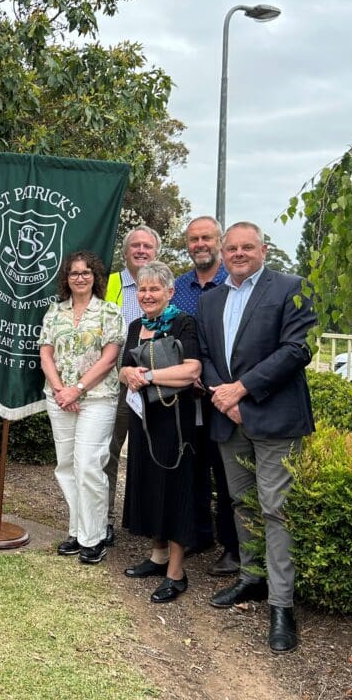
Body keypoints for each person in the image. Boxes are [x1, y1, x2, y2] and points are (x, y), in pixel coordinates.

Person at [197, 221, 316, 653]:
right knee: (240, 502)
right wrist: (225, 399)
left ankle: (282, 605)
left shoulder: (290, 287)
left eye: (248, 246)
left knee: (276, 509)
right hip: (229, 418)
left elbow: (297, 349)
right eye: (232, 248)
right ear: (223, 253)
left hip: (275, 418)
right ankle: (251, 578)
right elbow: (206, 356)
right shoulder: (212, 299)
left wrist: (242, 390)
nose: (239, 253)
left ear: (263, 249)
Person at [118, 262, 202, 603]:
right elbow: (124, 366)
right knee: (149, 485)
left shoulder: (183, 323)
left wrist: (149, 377)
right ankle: (157, 555)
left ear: (169, 292)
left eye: (155, 289)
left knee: (176, 489)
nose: (147, 295)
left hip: (176, 423)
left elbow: (191, 370)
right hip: (144, 420)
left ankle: (176, 573)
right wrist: (128, 375)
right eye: (142, 289)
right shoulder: (136, 325)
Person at [39, 251, 125, 565]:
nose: (80, 277)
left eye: (86, 272)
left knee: (89, 465)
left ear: (95, 277)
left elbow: (109, 358)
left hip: (97, 398)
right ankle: (77, 532)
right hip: (59, 398)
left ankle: (95, 536)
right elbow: (46, 354)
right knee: (66, 466)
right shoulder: (54, 312)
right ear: (67, 278)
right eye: (74, 273)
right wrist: (62, 390)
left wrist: (77, 389)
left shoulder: (109, 312)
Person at [171, 216, 241, 576]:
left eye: (206, 238)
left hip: (221, 394)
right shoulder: (179, 286)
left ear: (219, 241)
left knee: (226, 472)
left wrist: (211, 382)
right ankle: (197, 534)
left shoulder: (233, 284)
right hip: (183, 395)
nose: (200, 244)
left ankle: (233, 546)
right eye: (193, 239)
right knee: (190, 466)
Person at [103, 224, 160, 547]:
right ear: (125, 252)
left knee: (151, 454)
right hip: (114, 384)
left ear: (156, 252)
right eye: (134, 245)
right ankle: (105, 519)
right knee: (109, 453)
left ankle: (149, 521)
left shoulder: (166, 286)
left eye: (147, 246)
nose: (140, 250)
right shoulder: (109, 283)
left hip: (156, 386)